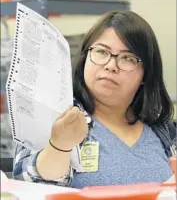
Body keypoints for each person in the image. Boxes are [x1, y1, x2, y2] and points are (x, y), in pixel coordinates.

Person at [13, 10, 176, 188]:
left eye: (128, 58)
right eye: (101, 51)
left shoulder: (162, 128)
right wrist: (59, 145)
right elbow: (28, 188)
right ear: (84, 58)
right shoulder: (56, 117)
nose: (111, 65)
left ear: (146, 73)